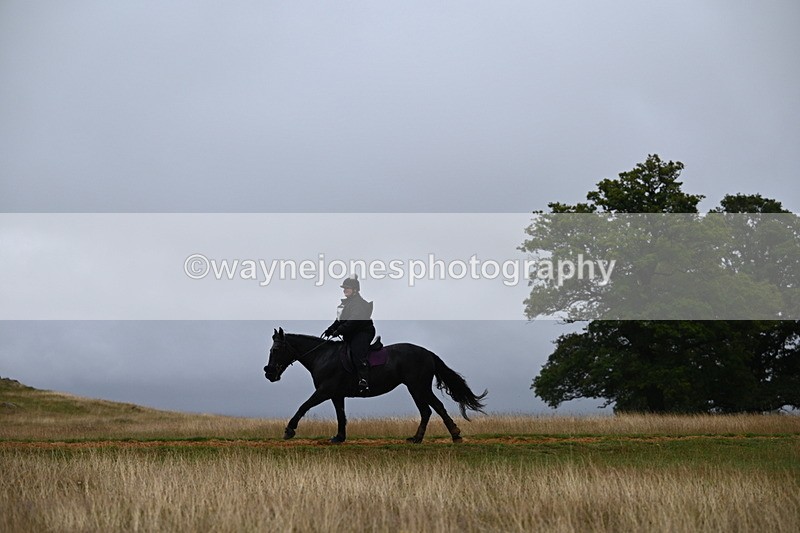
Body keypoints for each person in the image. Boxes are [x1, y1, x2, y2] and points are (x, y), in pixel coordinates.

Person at [322, 275, 375, 394]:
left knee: (357, 351)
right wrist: (331, 329)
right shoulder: (348, 303)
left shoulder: (358, 303)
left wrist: (339, 330)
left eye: (348, 288)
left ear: (355, 290)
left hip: (363, 332)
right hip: (353, 332)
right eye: (344, 288)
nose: (345, 290)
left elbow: (353, 321)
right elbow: (340, 319)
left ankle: (364, 380)